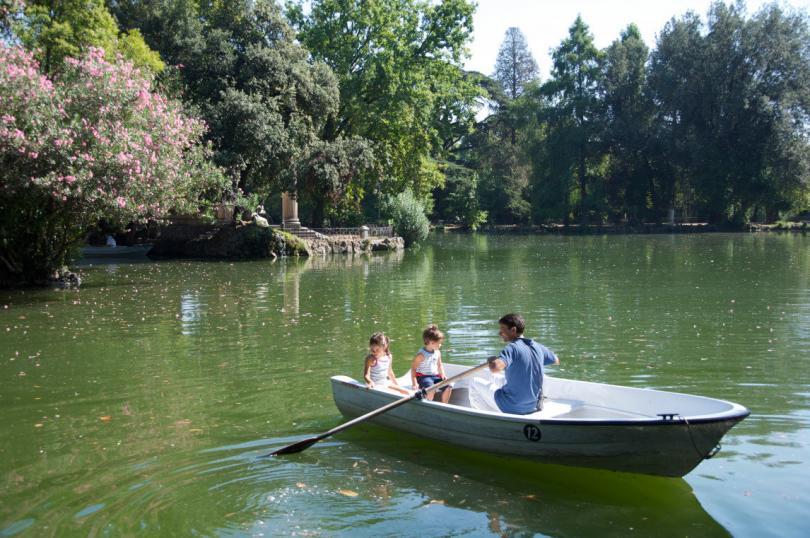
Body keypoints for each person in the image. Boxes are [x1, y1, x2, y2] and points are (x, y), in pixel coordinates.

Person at [469, 313, 559, 414]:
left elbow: (495, 368)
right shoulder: (537, 346)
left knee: (473, 381)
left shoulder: (512, 348)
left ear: (513, 330)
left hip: (511, 406)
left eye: (502, 329)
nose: (499, 333)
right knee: (493, 376)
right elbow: (556, 360)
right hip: (532, 405)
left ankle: (487, 418)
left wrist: (492, 360)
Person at [410, 324, 452, 403]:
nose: (440, 345)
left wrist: (443, 375)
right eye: (439, 343)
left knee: (448, 386)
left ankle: (444, 406)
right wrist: (414, 383)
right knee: (431, 388)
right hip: (423, 377)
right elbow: (413, 369)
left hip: (435, 376)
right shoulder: (421, 355)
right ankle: (429, 404)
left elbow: (439, 365)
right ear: (432, 343)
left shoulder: (437, 352)